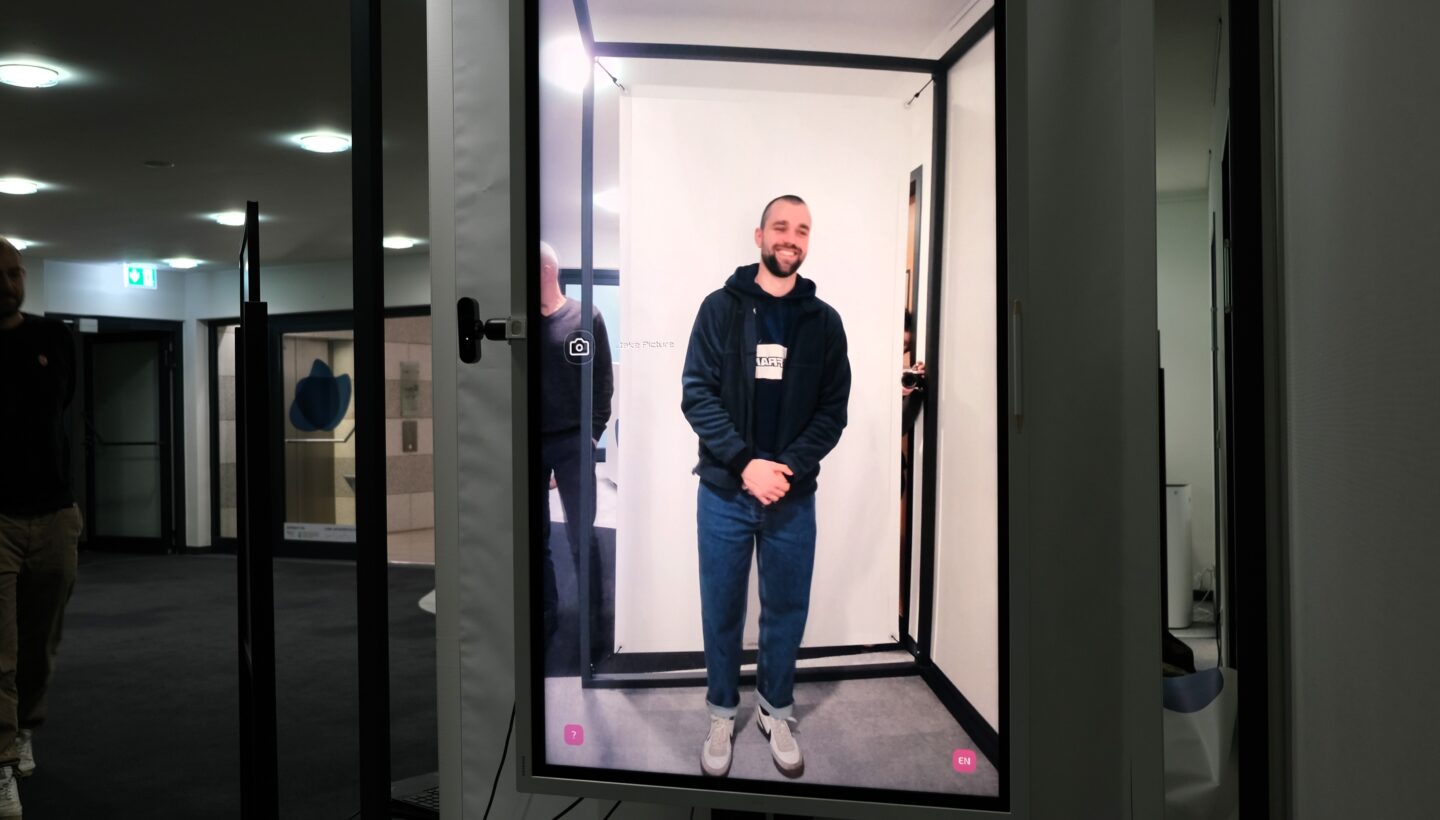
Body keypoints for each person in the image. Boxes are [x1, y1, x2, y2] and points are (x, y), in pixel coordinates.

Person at [681, 195, 851, 778]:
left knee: (785, 611)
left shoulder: (824, 322)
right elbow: (696, 394)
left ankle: (775, 710)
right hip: (725, 495)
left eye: (802, 230)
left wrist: (784, 470)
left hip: (791, 499)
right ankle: (722, 712)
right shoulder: (720, 309)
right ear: (759, 236)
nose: (792, 238)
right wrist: (745, 462)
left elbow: (833, 412)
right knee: (722, 610)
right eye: (781, 227)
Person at [0, 237, 82, 816]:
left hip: (54, 516)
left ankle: (24, 726)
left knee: (39, 645)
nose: (8, 283)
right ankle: (2, 763)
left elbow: (61, 410)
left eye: (15, 272)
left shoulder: (54, 339)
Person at [536, 241, 613, 657]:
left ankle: (593, 622)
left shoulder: (587, 317)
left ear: (547, 271)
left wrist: (593, 435)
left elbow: (603, 382)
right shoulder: (523, 322)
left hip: (573, 442)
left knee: (582, 535)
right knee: (537, 537)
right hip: (532, 442)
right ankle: (547, 612)